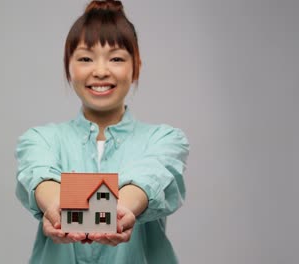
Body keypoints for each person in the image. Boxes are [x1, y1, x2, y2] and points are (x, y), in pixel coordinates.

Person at [15, 1, 189, 263]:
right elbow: (39, 174)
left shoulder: (165, 139)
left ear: (136, 66)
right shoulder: (40, 139)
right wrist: (55, 207)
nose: (100, 71)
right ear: (68, 67)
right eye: (85, 58)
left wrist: (121, 212)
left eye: (116, 58)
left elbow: (151, 175)